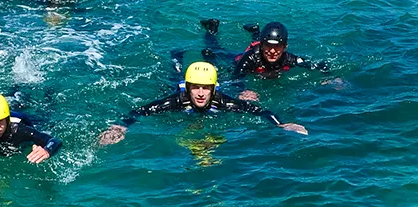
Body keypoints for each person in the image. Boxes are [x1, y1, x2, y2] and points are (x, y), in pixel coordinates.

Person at [97, 62, 307, 146]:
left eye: (205, 88)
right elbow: (142, 110)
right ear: (188, 88)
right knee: (173, 78)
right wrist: (121, 126)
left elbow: (258, 110)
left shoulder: (223, 101)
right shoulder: (177, 101)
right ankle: (175, 62)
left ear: (214, 89)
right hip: (176, 87)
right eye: (195, 87)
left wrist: (281, 124)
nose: (199, 93)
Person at [0, 92, 62, 164]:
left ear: (6, 120)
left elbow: (55, 140)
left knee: (46, 111)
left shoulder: (19, 130)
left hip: (34, 120)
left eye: (0, 121)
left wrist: (47, 150)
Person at [232, 22, 329, 80]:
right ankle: (215, 32)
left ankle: (256, 31)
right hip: (242, 56)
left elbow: (316, 65)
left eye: (277, 46)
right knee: (219, 53)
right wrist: (244, 91)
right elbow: (236, 78)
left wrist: (329, 77)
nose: (272, 51)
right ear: (262, 45)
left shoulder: (288, 58)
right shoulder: (250, 57)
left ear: (284, 47)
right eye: (268, 46)